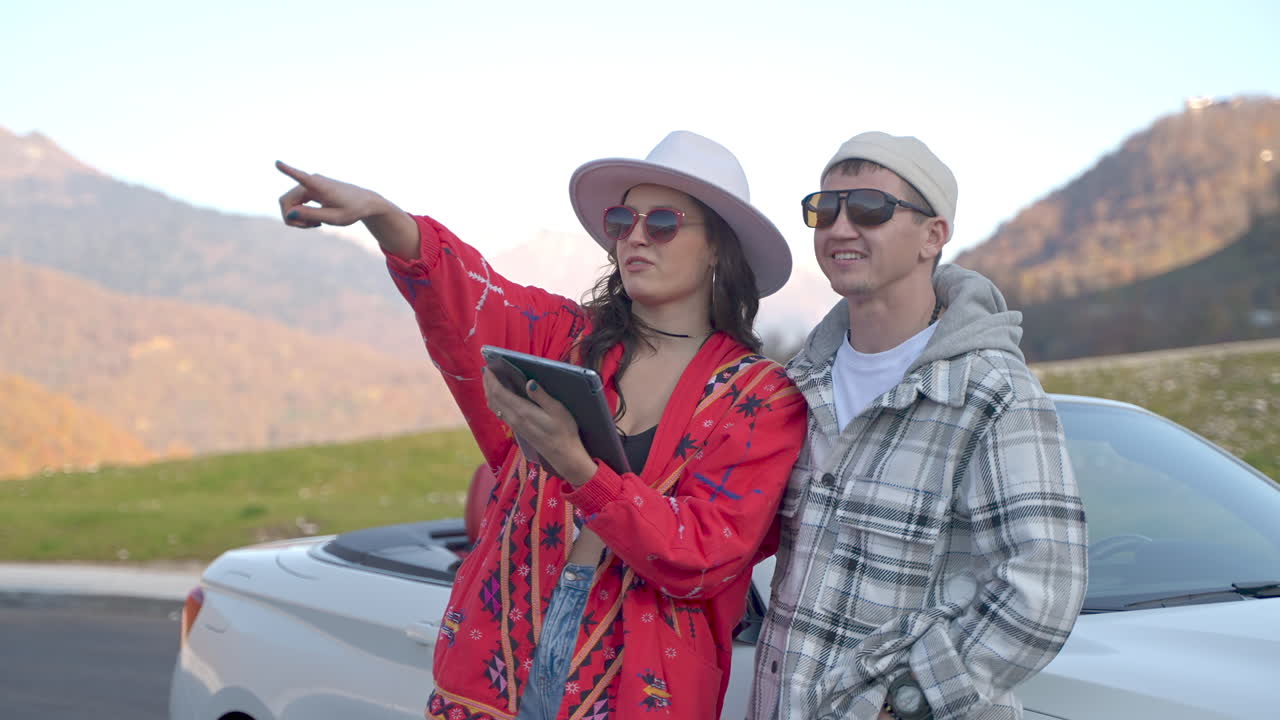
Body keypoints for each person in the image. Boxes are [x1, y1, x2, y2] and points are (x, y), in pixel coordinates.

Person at [276, 130, 806, 720]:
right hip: (503, 649)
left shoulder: (761, 399)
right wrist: (384, 216)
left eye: (661, 222)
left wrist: (578, 467)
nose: (634, 236)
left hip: (639, 679)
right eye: (621, 219)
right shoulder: (563, 338)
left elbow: (703, 554)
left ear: (718, 248)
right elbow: (466, 297)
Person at [748, 132, 1088, 720]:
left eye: (870, 209)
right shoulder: (799, 384)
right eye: (824, 209)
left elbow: (1044, 584)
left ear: (934, 235)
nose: (840, 227)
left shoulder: (990, 391)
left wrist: (909, 701)